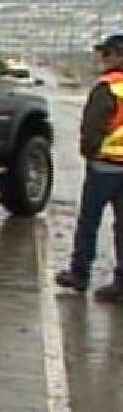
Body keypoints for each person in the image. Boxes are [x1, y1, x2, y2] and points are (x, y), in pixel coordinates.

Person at [55, 34, 123, 302]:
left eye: (106, 54)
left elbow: (92, 128)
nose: (102, 60)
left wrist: (90, 152)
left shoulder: (107, 87)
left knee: (89, 222)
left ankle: (79, 274)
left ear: (117, 56)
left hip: (105, 167)